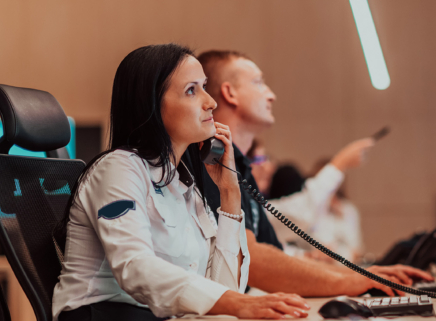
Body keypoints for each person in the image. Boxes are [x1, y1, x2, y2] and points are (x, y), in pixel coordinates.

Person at [52, 44, 309, 321]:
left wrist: (230, 193)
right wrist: (237, 304)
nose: (210, 102)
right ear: (152, 105)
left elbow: (224, 289)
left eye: (205, 87)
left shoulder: (184, 186)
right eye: (191, 90)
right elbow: (134, 267)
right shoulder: (118, 168)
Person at [196, 49, 433, 296]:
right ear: (229, 93)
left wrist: (361, 274)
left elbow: (273, 253)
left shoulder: (241, 168)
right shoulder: (212, 164)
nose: (272, 95)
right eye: (258, 82)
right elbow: (250, 258)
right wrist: (350, 282)